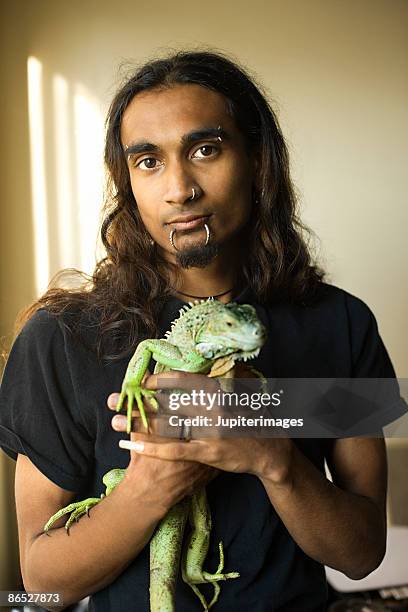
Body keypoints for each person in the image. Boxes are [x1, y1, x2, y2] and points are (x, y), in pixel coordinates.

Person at [0, 50, 406, 612]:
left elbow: (362, 554)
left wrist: (273, 458)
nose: (179, 188)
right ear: (127, 183)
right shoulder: (60, 339)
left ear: (258, 160)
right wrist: (148, 486)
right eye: (147, 162)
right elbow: (38, 589)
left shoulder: (342, 325)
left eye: (205, 150)